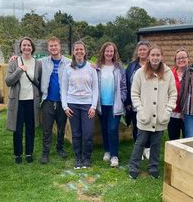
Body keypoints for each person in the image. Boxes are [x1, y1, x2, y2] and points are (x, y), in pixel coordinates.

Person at [128, 44, 177, 179]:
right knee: (140, 142)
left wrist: (167, 111)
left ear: (161, 57)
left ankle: (153, 167)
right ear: (148, 57)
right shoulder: (140, 73)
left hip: (161, 116)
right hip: (145, 116)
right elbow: (134, 94)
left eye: (158, 55)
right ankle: (133, 167)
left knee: (156, 143)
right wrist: (140, 110)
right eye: (153, 55)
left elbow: (173, 94)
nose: (155, 58)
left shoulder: (168, 74)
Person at [61, 41, 98, 169]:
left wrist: (93, 106)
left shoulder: (91, 68)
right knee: (76, 134)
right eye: (76, 49)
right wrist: (65, 106)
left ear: (85, 51)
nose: (79, 51)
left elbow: (95, 89)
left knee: (87, 134)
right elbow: (63, 89)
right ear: (73, 52)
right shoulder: (68, 68)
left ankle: (86, 158)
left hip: (87, 105)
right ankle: (78, 158)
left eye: (81, 49)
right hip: (73, 105)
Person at [5, 37, 42, 164]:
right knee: (18, 129)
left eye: (29, 45)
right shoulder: (14, 62)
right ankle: (17, 154)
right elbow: (8, 81)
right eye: (24, 45)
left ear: (32, 48)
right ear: (20, 47)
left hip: (32, 101)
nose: (26, 47)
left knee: (30, 129)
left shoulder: (38, 63)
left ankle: (29, 153)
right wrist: (20, 70)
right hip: (18, 101)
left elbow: (39, 82)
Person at [39, 36, 71, 164]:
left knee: (61, 127)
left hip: (63, 102)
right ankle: (45, 152)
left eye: (55, 45)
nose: (53, 48)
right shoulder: (42, 62)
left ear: (59, 46)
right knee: (47, 128)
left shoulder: (68, 62)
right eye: (51, 46)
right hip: (47, 100)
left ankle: (60, 148)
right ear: (48, 48)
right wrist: (15, 59)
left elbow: (81, 64)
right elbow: (27, 61)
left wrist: (93, 66)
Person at [96, 42, 127, 167]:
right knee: (104, 129)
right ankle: (107, 151)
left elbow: (124, 85)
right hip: (101, 105)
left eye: (111, 51)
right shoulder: (98, 67)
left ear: (114, 53)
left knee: (113, 129)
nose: (109, 53)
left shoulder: (119, 68)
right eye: (107, 51)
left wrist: (122, 98)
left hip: (116, 105)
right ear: (103, 52)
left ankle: (114, 155)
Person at [125, 40, 151, 160]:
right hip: (135, 102)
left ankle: (148, 148)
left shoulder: (154, 64)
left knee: (149, 125)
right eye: (140, 49)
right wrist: (128, 102)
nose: (142, 51)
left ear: (148, 50)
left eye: (144, 49)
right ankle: (139, 148)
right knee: (137, 126)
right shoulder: (131, 66)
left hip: (150, 102)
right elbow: (126, 83)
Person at [168, 48, 189, 140]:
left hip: (188, 113)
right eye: (179, 58)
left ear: (188, 59)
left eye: (184, 57)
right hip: (173, 112)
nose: (181, 60)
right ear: (175, 61)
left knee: (187, 138)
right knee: (173, 138)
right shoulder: (169, 73)